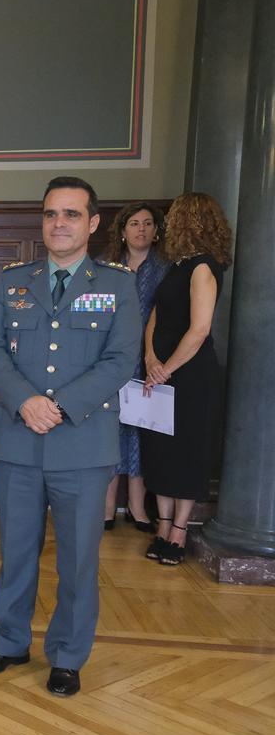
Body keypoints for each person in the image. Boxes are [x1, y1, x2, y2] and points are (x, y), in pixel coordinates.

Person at [0, 176, 141, 697]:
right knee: (15, 551)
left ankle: (67, 655)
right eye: (50, 214)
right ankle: (9, 640)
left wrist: (60, 406)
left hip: (82, 444)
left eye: (70, 214)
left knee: (77, 558)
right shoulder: (14, 281)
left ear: (92, 224)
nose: (59, 223)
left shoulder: (117, 285)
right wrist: (25, 400)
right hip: (20, 439)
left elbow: (121, 359)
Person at [140, 193, 232, 566]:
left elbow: (199, 330)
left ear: (189, 220)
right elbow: (154, 318)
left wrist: (167, 368)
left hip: (190, 377)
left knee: (186, 453)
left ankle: (178, 532)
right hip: (159, 371)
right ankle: (162, 525)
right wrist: (150, 357)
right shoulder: (176, 265)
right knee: (158, 449)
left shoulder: (205, 267)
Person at [99, 204, 169, 532]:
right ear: (122, 230)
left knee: (141, 433)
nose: (140, 229)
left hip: (150, 362)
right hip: (111, 360)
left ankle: (139, 508)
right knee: (111, 431)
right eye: (134, 223)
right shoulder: (104, 268)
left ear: (157, 230)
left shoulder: (167, 268)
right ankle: (108, 506)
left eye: (147, 223)